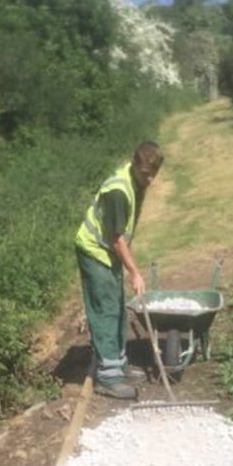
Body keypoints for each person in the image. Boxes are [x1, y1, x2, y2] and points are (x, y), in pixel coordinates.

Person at [74, 140, 164, 399]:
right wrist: (134, 271)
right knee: (105, 309)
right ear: (135, 164)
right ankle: (107, 377)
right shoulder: (118, 191)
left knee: (117, 305)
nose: (150, 179)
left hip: (108, 251)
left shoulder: (137, 181)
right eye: (146, 174)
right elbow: (116, 238)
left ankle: (119, 364)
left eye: (154, 174)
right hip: (94, 250)